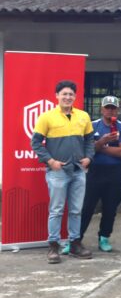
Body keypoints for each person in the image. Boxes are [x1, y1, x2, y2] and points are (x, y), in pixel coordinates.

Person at [31, 80, 95, 264]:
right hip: (57, 172)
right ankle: (53, 246)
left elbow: (90, 140)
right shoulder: (47, 117)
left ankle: (75, 244)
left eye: (71, 94)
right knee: (57, 210)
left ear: (75, 97)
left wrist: (89, 157)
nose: (68, 97)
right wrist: (50, 161)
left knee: (76, 210)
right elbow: (36, 143)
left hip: (78, 170)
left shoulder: (83, 116)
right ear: (57, 96)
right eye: (64, 94)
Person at [80, 96, 121, 253]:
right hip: (95, 171)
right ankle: (76, 238)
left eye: (113, 108)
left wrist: (99, 147)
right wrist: (102, 142)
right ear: (102, 109)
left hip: (115, 172)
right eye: (107, 107)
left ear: (118, 110)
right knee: (87, 207)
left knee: (110, 207)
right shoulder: (92, 125)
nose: (110, 111)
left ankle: (104, 237)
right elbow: (86, 149)